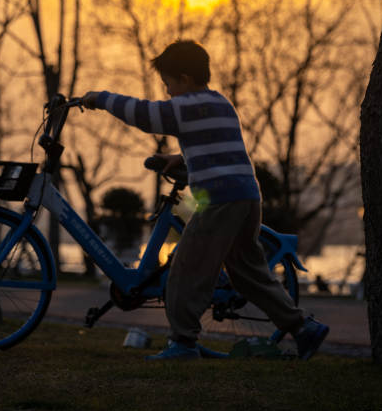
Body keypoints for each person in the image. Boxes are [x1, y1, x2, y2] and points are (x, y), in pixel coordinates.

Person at [82, 39, 329, 361]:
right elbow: (214, 146)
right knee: (248, 272)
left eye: (169, 83)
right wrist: (181, 158)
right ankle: (303, 327)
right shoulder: (220, 103)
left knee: (186, 269)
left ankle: (183, 343)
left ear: (185, 78)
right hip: (246, 197)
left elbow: (146, 115)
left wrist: (101, 99)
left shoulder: (186, 106)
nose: (167, 91)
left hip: (219, 201)